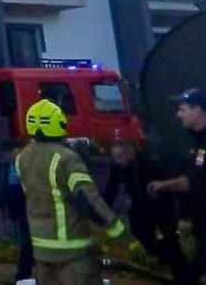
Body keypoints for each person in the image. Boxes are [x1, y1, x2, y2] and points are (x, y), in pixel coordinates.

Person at [16, 98, 127, 285]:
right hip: (73, 252)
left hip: (42, 249)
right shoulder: (66, 158)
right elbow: (87, 198)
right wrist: (119, 232)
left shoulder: (22, 157)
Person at [148, 88, 206, 285]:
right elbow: (195, 180)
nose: (178, 115)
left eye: (182, 109)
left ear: (197, 110)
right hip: (204, 229)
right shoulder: (201, 143)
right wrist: (165, 185)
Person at [104, 136, 192, 284]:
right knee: (143, 238)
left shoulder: (149, 163)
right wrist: (102, 208)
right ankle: (162, 254)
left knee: (172, 241)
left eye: (120, 157)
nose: (117, 161)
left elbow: (169, 182)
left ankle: (182, 276)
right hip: (139, 207)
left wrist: (161, 189)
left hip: (162, 206)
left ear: (130, 152)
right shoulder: (117, 167)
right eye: (115, 158)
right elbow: (111, 189)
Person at [0, 143, 35, 284]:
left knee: (27, 244)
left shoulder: (27, 165)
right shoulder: (8, 167)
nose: (8, 157)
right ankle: (24, 274)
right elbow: (4, 187)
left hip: (29, 210)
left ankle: (23, 275)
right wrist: (0, 205)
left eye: (10, 153)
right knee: (26, 243)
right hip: (18, 211)